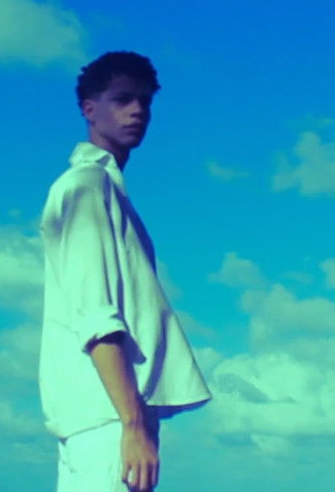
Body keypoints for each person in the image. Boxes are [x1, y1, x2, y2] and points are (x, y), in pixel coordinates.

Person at [38, 50, 212, 492]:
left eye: (145, 101)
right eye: (122, 99)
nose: (137, 111)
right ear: (89, 109)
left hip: (106, 418)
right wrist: (132, 427)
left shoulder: (104, 189)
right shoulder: (86, 186)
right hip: (109, 421)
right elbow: (96, 316)